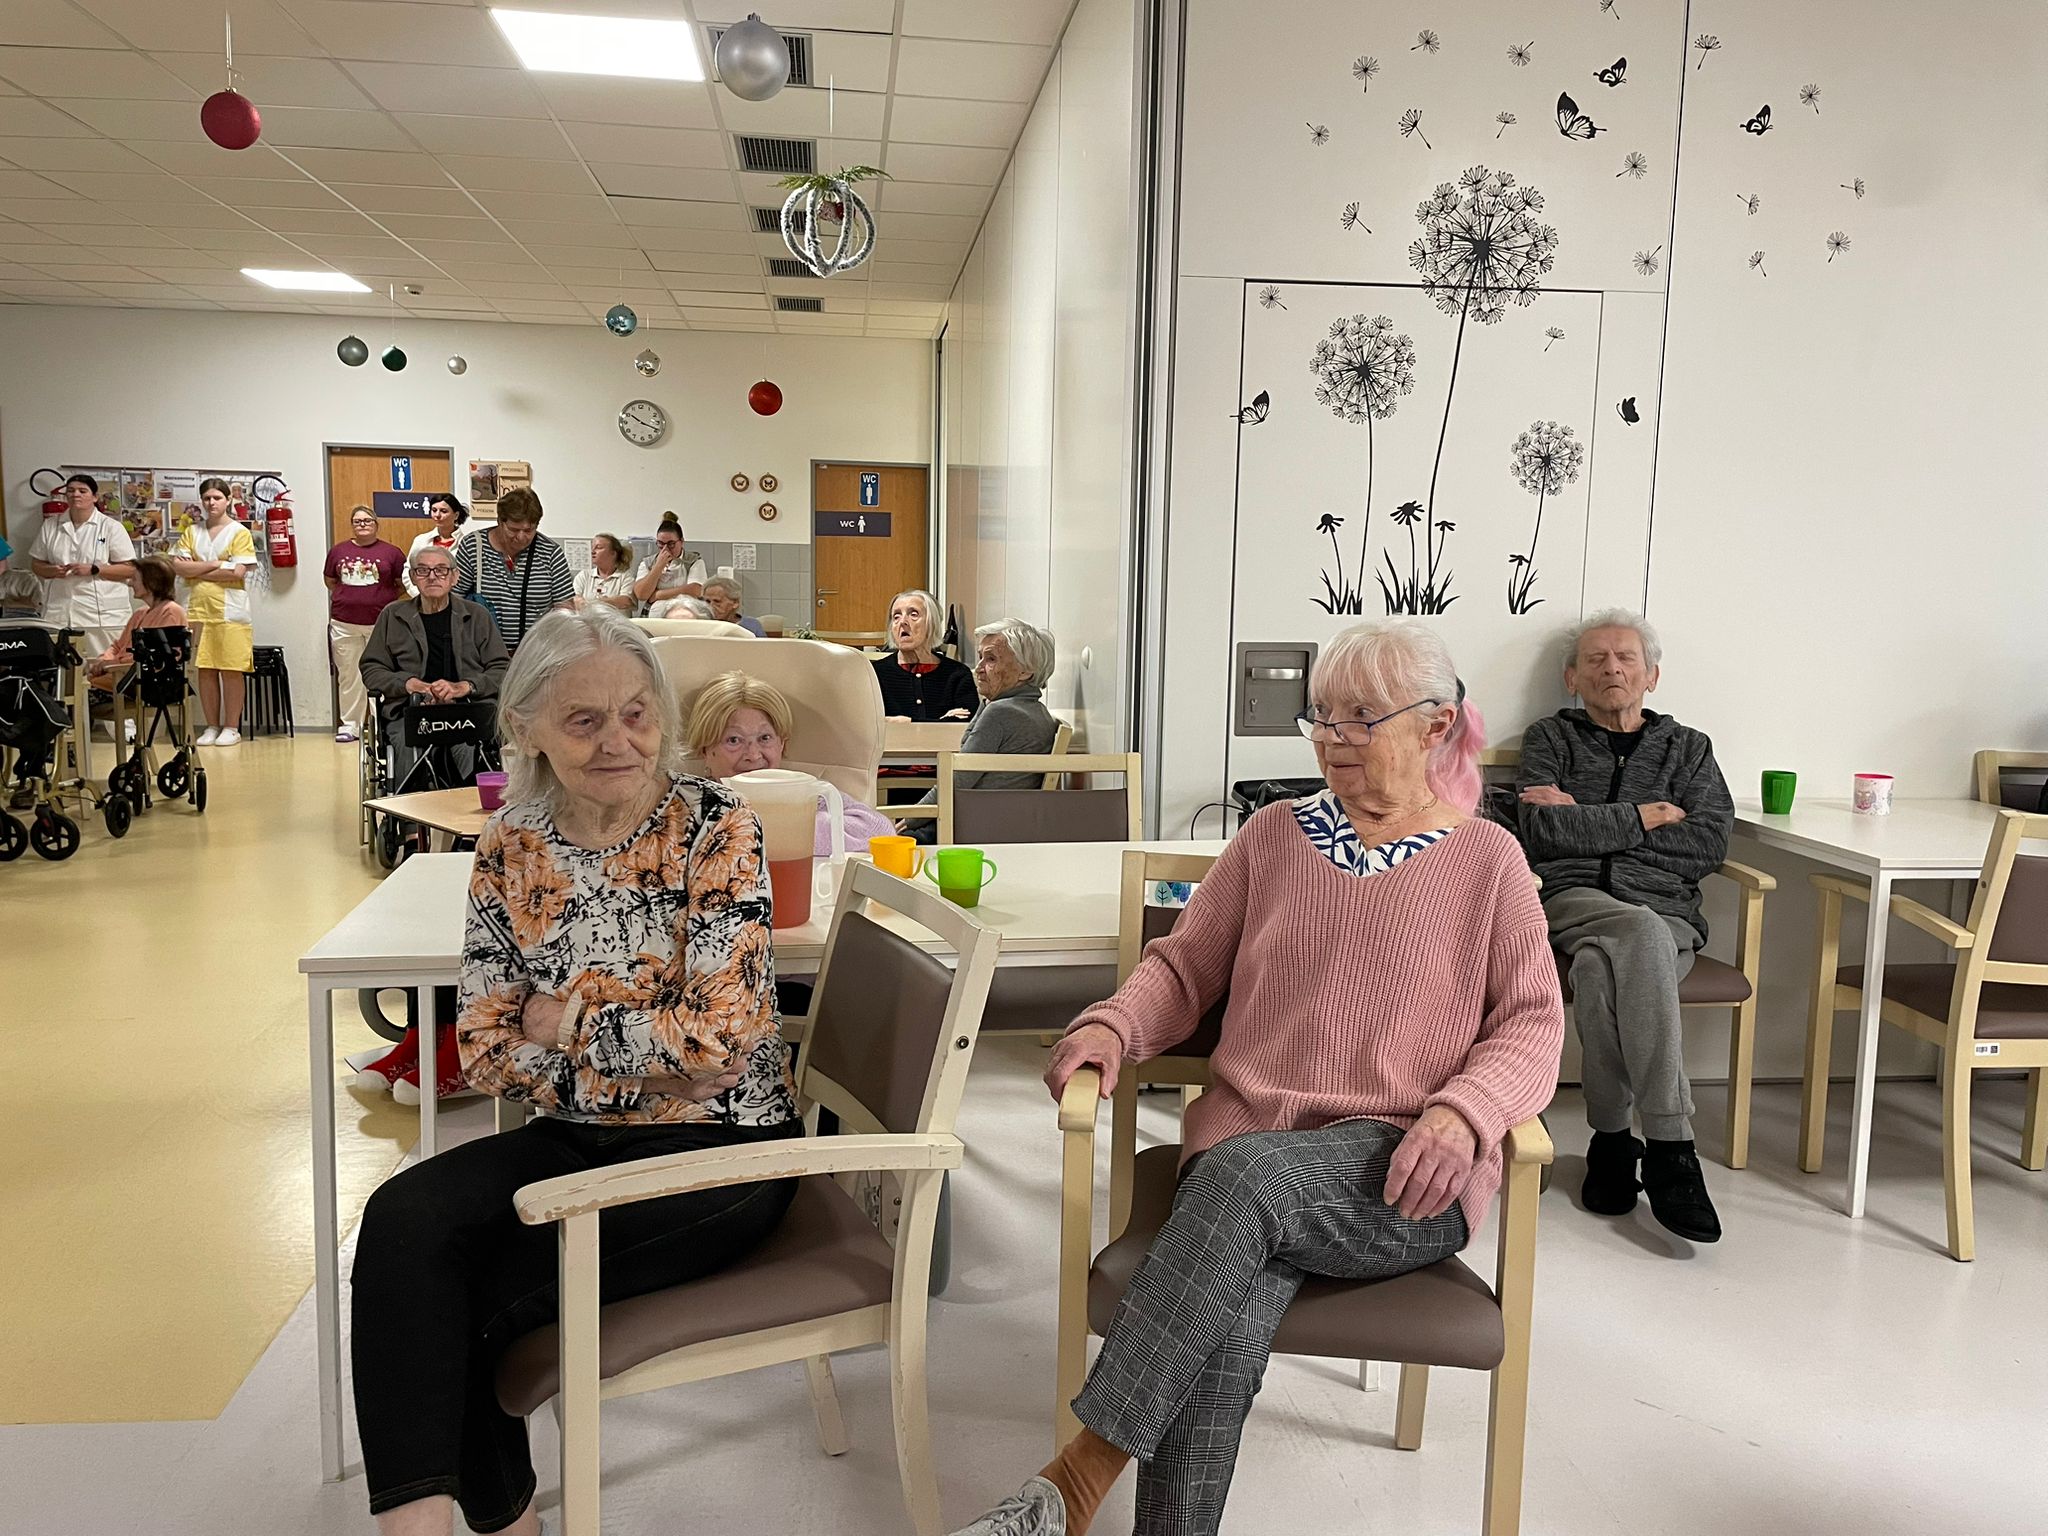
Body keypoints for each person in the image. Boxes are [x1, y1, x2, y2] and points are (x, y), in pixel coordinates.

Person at [949, 620, 1564, 1536]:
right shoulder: (1274, 836)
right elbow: (1184, 966)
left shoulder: (1489, 861)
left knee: (1240, 1188)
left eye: (1361, 718)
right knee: (1225, 1310)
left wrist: (1466, 1112)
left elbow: (1534, 1021)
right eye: (1320, 716)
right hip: (1249, 1154)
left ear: (1436, 725)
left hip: (1402, 1170)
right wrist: (1115, 1024)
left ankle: (1074, 1484)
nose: (1331, 739)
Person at [348, 607, 799, 1536]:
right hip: (579, 1133)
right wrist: (643, 1069)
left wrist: (566, 1023)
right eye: (584, 720)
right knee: (402, 1220)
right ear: (527, 728)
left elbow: (718, 1046)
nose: (617, 741)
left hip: (724, 1148)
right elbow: (484, 1045)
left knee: (474, 1296)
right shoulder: (511, 842)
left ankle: (501, 1522)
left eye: (637, 714)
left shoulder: (717, 825)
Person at [1514, 608, 1733, 1245]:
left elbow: (1708, 844)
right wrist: (1649, 814)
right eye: (1596, 660)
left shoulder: (1689, 748)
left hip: (1665, 910)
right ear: (1572, 678)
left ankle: (1611, 1141)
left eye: (1626, 658)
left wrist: (1585, 816)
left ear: (1651, 676)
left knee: (1600, 963)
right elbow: (1541, 832)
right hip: (1572, 899)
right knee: (1637, 934)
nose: (1612, 668)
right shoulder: (1550, 739)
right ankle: (1671, 1144)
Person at [685, 670, 893, 856]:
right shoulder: (686, 804)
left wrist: (784, 827)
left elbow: (880, 832)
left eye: (765, 738)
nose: (753, 755)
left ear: (782, 744)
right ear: (705, 750)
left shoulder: (804, 794)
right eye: (734, 740)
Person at [906, 618, 1061, 843]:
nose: (978, 669)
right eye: (980, 657)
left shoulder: (1001, 713)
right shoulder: (1037, 711)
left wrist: (906, 820)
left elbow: (956, 781)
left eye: (991, 659)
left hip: (971, 826)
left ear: (1025, 671)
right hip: (999, 821)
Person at [169, 477, 258, 746]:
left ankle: (231, 727)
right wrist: (218, 564)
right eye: (207, 498)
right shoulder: (192, 531)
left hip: (229, 611)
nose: (211, 503)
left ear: (228, 500)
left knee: (231, 669)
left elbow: (238, 572)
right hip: (197, 609)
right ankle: (211, 726)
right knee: (205, 669)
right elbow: (178, 567)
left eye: (217, 498)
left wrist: (196, 569)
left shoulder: (239, 532)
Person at [452, 487, 573, 655]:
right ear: (500, 521)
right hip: (482, 653)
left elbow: (565, 610)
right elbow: (455, 599)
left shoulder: (550, 553)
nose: (521, 537)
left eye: (529, 530)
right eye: (514, 530)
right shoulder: (473, 546)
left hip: (534, 654)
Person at [324, 506, 407, 745]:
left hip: (380, 624)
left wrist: (379, 599)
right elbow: (330, 580)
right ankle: (350, 725)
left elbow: (401, 584)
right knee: (349, 674)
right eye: (357, 521)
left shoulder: (392, 552)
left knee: (382, 673)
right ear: (352, 525)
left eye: (367, 521)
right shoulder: (338, 551)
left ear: (376, 524)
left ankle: (381, 724)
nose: (362, 525)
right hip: (344, 623)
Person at [29, 473, 136, 659]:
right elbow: (36, 564)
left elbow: (130, 568)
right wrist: (52, 571)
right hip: (60, 612)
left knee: (102, 666)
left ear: (94, 497)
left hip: (101, 616)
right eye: (71, 491)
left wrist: (95, 569)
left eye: (82, 491)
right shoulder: (51, 525)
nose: (75, 495)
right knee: (65, 668)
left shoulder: (111, 527)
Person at [873, 588, 975, 722]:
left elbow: (967, 724)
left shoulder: (957, 674)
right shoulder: (874, 674)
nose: (902, 621)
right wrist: (941, 721)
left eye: (913, 614)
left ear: (931, 623)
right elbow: (866, 723)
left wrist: (908, 722)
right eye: (896, 616)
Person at [84, 556, 184, 685]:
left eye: (135, 579)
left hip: (145, 681)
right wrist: (103, 660)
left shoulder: (170, 612)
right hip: (120, 674)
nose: (130, 583)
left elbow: (157, 658)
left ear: (152, 583)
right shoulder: (139, 613)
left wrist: (112, 663)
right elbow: (118, 646)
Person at [632, 512, 707, 617]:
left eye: (671, 544)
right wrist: (658, 566)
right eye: (660, 544)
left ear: (681, 541)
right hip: (655, 616)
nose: (665, 549)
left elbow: (695, 590)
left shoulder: (693, 561)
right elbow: (641, 594)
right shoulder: (647, 563)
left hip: (684, 615)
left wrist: (658, 595)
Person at [401, 492, 469, 598]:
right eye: (434, 510)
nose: (437, 515)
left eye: (443, 511)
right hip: (423, 599)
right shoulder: (421, 540)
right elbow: (408, 571)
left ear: (456, 515)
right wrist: (419, 595)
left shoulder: (466, 543)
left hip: (456, 600)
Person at [572, 533, 637, 613]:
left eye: (598, 547)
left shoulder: (626, 577)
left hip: (616, 621)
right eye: (592, 548)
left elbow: (625, 601)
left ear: (613, 553)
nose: (592, 551)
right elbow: (575, 598)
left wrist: (598, 602)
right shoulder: (584, 575)